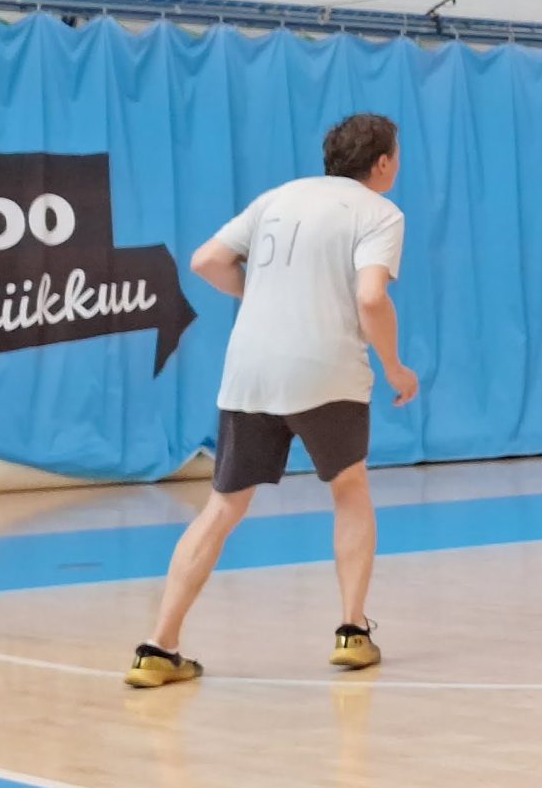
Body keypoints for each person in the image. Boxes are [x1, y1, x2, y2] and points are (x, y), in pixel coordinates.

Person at [126, 114, 416, 688]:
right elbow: (370, 297)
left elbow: (206, 260)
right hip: (326, 370)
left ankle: (158, 647)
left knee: (222, 507)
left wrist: (260, 292)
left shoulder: (277, 198)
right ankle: (352, 632)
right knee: (349, 488)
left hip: (250, 371)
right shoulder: (380, 213)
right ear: (383, 162)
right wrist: (394, 366)